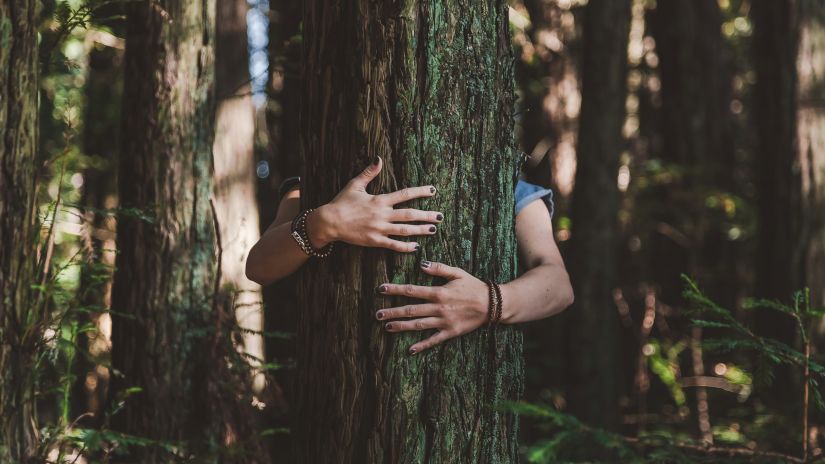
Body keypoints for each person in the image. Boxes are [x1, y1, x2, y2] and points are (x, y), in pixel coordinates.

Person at [246, 156, 573, 354]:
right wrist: (325, 222)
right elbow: (259, 266)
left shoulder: (507, 189)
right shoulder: (317, 181)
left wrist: (490, 302)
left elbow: (558, 285)